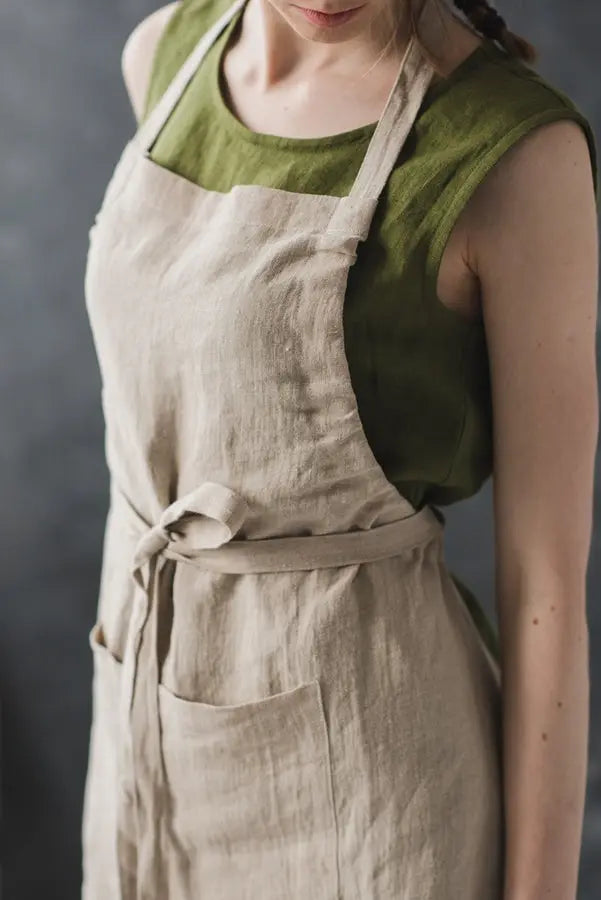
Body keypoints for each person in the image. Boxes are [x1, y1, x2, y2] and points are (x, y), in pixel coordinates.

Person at [80, 0, 598, 897]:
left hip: (373, 792)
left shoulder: (515, 157)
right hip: (139, 742)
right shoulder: (161, 58)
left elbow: (544, 585)